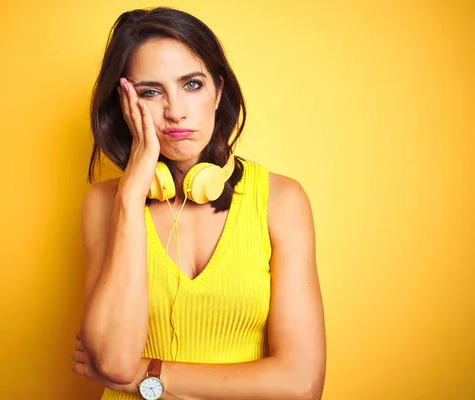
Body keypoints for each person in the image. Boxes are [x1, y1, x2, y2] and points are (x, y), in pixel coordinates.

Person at [72, 7, 326, 400]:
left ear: (218, 90)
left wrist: (148, 377)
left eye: (191, 84)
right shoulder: (105, 204)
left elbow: (300, 385)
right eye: (150, 92)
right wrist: (131, 194)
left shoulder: (282, 201)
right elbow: (113, 362)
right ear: (124, 105)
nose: (175, 111)